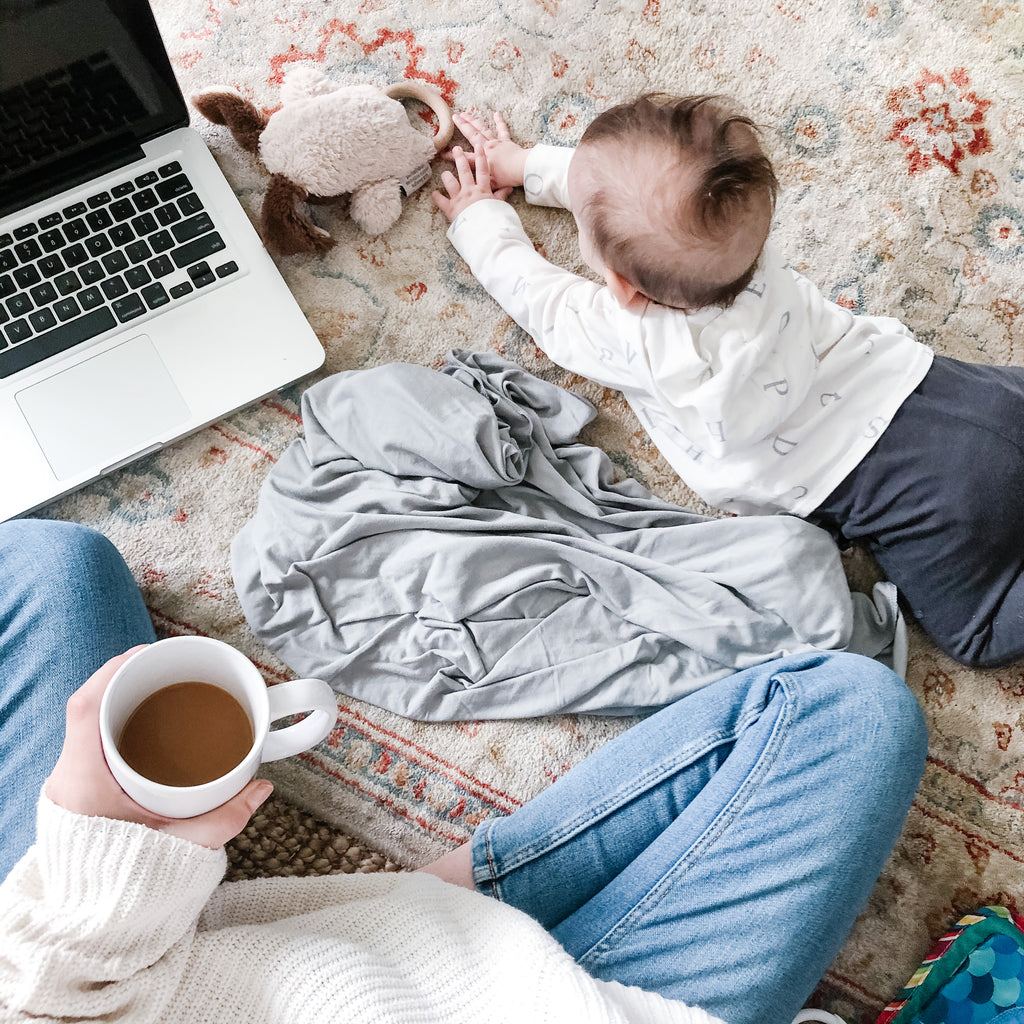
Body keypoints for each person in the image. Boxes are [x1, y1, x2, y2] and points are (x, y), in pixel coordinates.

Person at [0, 518, 927, 1024]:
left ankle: (425, 912)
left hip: (141, 972)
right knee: (847, 712)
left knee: (53, 564)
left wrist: (93, 868)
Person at [432, 95, 1024, 670]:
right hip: (952, 392)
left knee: (978, 634)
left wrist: (479, 217)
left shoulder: (631, 334)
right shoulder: (749, 246)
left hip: (915, 500)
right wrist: (527, 164)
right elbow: (635, 191)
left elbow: (540, 298)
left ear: (621, 286)